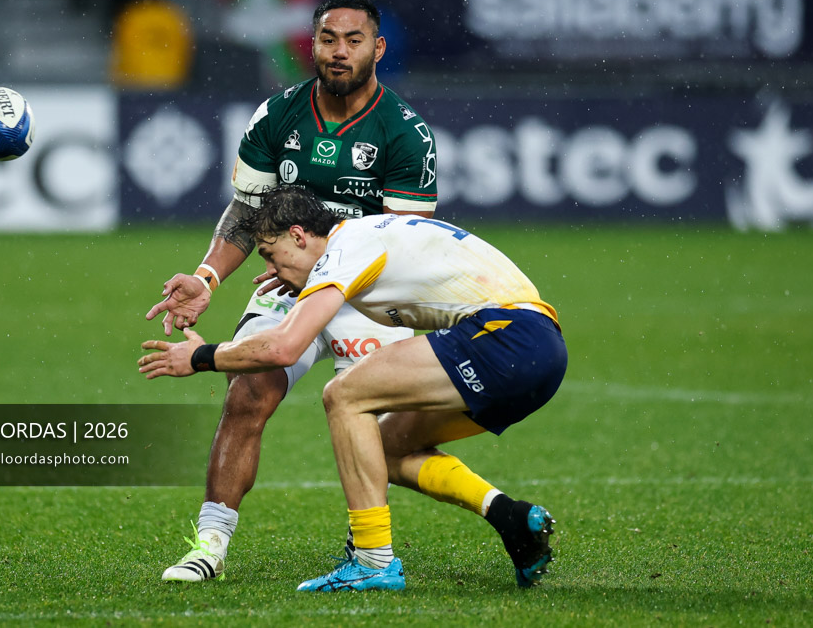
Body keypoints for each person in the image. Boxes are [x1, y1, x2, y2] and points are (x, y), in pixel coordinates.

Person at [139, 187, 568, 592]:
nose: (269, 271)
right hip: (541, 354)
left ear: (299, 236)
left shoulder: (345, 247)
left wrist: (200, 358)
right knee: (385, 448)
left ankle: (373, 560)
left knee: (344, 395)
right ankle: (512, 519)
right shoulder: (367, 236)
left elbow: (285, 346)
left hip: (504, 336)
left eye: (271, 255)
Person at [146, 0, 438, 582]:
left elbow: (401, 242)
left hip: (368, 297)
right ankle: (209, 545)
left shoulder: (406, 135)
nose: (339, 51)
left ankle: (465, 522)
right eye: (328, 38)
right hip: (287, 284)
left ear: (377, 48)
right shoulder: (276, 116)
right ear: (313, 43)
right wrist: (206, 277)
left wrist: (316, 261)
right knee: (247, 393)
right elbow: (247, 213)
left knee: (385, 433)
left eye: (353, 40)